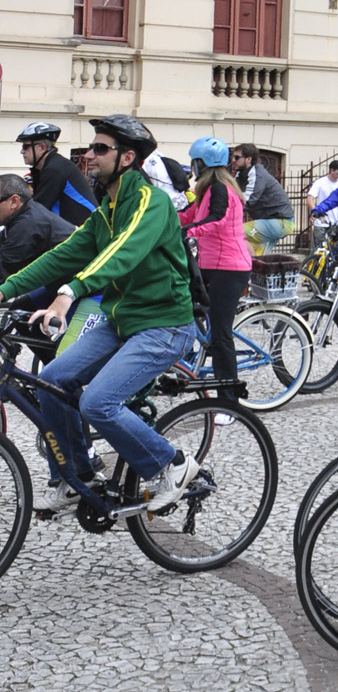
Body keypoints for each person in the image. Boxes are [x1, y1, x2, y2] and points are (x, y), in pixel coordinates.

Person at [0, 114, 201, 515]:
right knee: (51, 380)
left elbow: (121, 255)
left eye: (100, 148)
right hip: (120, 320)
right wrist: (3, 290)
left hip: (163, 324)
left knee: (98, 403)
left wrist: (68, 292)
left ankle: (173, 464)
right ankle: (79, 476)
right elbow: (63, 254)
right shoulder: (107, 208)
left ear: (127, 157)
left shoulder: (151, 203)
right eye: (92, 147)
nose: (89, 155)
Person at [178, 138, 252, 396]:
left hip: (229, 267)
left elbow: (217, 219)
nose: (192, 167)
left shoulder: (220, 189)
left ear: (203, 164)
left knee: (220, 333)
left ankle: (229, 400)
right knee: (179, 305)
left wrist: (189, 231)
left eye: (194, 163)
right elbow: (187, 215)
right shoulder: (207, 190)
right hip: (209, 264)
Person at [17, 123, 96, 227]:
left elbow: (38, 209)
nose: (22, 151)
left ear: (42, 147)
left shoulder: (55, 169)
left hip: (83, 232)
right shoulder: (49, 166)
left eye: (25, 146)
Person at [0, 172, 72, 277]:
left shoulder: (27, 224)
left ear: (14, 201)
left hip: (71, 284)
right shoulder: (26, 212)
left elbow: (4, 270)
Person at [230, 145, 297, 254]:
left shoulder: (257, 174)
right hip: (269, 220)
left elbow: (248, 199)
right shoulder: (240, 175)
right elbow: (231, 193)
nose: (233, 160)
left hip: (280, 221)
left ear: (248, 159)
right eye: (232, 157)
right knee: (248, 252)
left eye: (237, 157)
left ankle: (252, 268)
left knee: (234, 231)